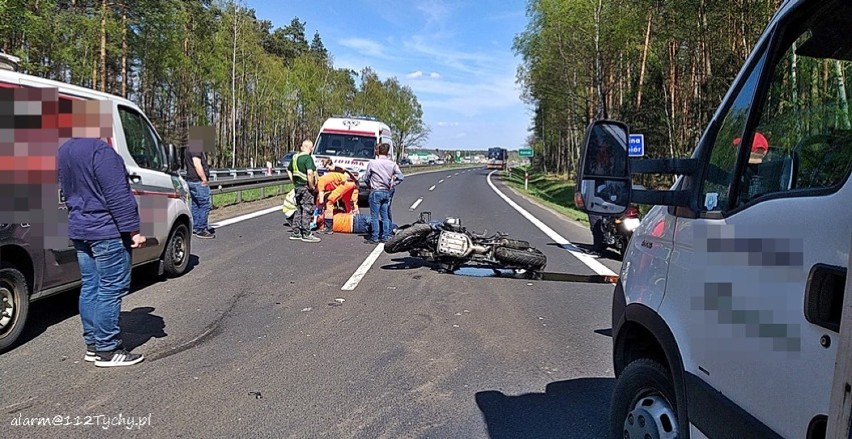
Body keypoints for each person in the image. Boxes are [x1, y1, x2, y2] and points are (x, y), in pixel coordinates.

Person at [57, 99, 145, 367]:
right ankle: (108, 349)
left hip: (80, 228)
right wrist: (133, 231)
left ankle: (93, 345)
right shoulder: (102, 153)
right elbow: (118, 196)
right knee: (110, 288)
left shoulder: (64, 151)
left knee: (91, 287)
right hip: (106, 230)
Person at [364, 142, 404, 243]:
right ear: (387, 152)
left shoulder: (373, 163)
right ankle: (386, 236)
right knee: (385, 215)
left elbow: (366, 177)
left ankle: (375, 237)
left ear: (378, 151)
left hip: (376, 191)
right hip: (386, 191)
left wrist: (369, 184)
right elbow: (401, 177)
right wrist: (393, 184)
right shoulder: (392, 164)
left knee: (374, 216)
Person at [287, 140, 321, 242]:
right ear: (311, 148)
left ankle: (296, 232)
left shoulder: (295, 158)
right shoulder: (308, 158)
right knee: (307, 209)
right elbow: (310, 173)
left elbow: (288, 170)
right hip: (306, 188)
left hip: (298, 187)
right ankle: (306, 233)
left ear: (302, 147)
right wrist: (311, 186)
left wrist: (294, 181)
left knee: (299, 209)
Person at [184, 129, 214, 239]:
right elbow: (197, 164)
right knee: (205, 204)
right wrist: (204, 179)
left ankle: (196, 227)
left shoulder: (189, 147)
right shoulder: (196, 146)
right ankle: (201, 229)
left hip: (191, 180)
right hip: (198, 180)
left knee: (196, 204)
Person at [316, 159, 359, 234]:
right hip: (351, 183)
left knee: (329, 202)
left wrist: (319, 211)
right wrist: (355, 181)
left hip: (345, 183)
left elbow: (321, 200)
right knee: (348, 202)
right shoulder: (327, 176)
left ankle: (328, 227)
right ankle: (353, 219)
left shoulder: (320, 182)